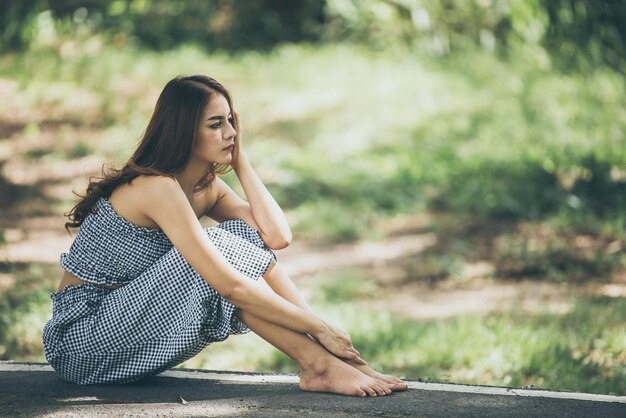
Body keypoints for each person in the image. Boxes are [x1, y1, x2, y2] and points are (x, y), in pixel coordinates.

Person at [43, 75, 407, 397]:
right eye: (216, 124)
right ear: (185, 130)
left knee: (238, 237)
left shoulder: (206, 187)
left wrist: (240, 161)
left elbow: (274, 236)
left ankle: (327, 361)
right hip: (82, 343)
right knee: (216, 257)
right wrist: (319, 326)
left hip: (128, 329)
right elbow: (228, 286)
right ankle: (319, 364)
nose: (230, 132)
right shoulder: (155, 187)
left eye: (231, 121)